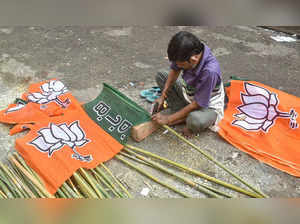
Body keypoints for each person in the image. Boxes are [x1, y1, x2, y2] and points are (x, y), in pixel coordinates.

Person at [152, 31, 225, 137]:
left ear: (193, 59)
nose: (178, 66)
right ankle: (180, 112)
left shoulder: (210, 72)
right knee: (161, 75)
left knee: (195, 120)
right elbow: (175, 70)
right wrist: (163, 95)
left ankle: (183, 117)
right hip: (190, 95)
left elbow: (197, 104)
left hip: (207, 106)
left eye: (181, 64)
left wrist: (168, 119)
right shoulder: (189, 51)